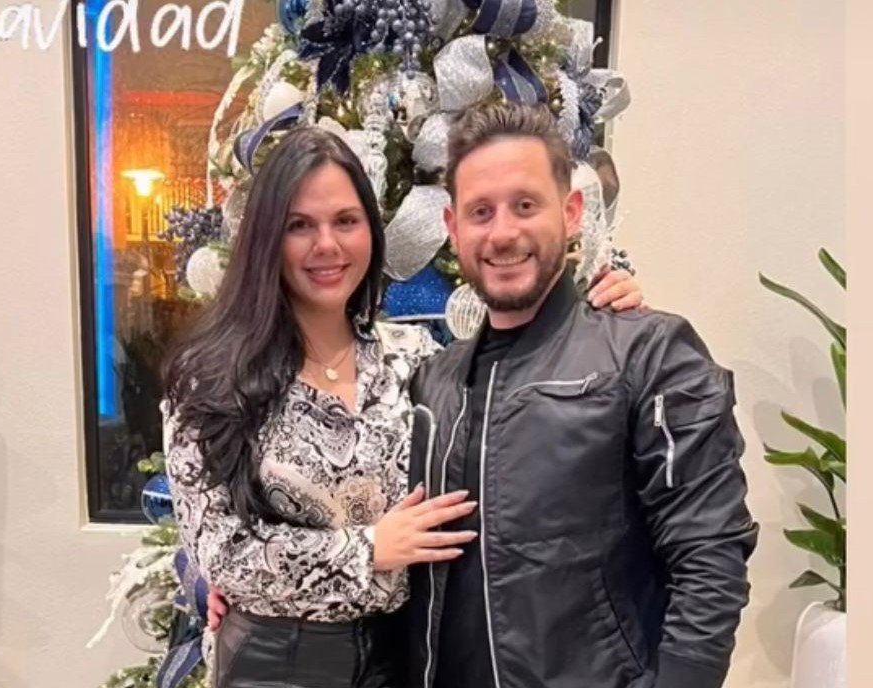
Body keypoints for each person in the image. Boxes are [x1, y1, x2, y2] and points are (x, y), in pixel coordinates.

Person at [162, 126, 644, 688]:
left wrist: (596, 321)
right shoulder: (210, 380)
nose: (327, 245)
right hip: (276, 665)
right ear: (268, 237)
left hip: (405, 658)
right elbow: (222, 552)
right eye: (300, 225)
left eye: (346, 221)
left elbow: (518, 411)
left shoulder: (414, 359)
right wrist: (370, 550)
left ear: (371, 229)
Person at [403, 101, 759, 688]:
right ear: (453, 228)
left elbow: (710, 558)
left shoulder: (648, 354)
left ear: (570, 213)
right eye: (481, 211)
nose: (503, 233)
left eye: (525, 205)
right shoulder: (431, 384)